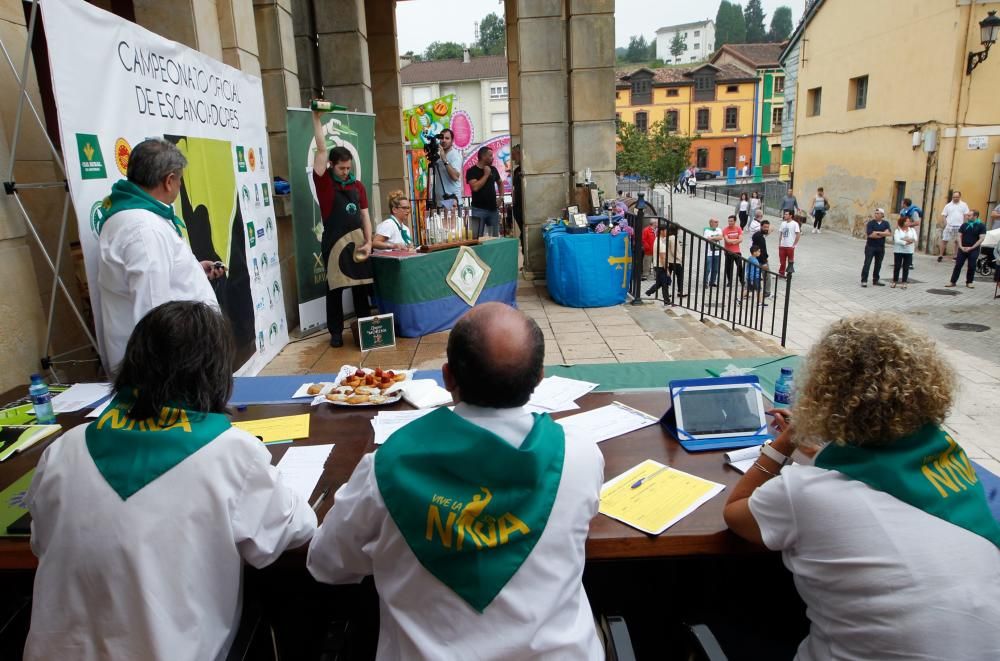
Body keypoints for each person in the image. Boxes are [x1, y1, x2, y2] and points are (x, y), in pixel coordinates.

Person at [307, 303, 605, 660]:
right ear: (539, 378)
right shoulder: (579, 457)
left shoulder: (385, 468)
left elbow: (327, 563)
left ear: (447, 377)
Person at [23, 301, 317, 661]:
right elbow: (297, 530)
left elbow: (40, 542)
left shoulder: (63, 449)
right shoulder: (231, 452)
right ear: (215, 375)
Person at [723, 313, 1000, 661]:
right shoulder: (948, 461)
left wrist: (788, 440)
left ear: (822, 393)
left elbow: (736, 512)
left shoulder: (807, 492)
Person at [93, 138, 224, 374]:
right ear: (169, 181)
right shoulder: (144, 229)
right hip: (168, 372)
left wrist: (190, 270)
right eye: (180, 180)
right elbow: (154, 311)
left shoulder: (134, 218)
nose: (180, 186)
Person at [312, 110, 373, 347]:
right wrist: (316, 118)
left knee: (361, 286)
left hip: (358, 241)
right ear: (331, 166)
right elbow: (320, 149)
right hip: (333, 242)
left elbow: (365, 216)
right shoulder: (324, 183)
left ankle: (366, 327)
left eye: (348, 168)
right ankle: (335, 333)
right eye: (341, 169)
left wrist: (369, 242)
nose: (346, 172)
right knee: (335, 289)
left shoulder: (358, 186)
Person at [465, 146, 502, 239]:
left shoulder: (493, 169)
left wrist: (501, 197)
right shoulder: (471, 171)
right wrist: (486, 175)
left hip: (493, 210)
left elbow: (500, 183)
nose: (492, 157)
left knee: (494, 238)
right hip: (478, 210)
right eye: (490, 155)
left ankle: (494, 254)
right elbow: (475, 187)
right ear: (483, 156)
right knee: (475, 238)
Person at [946, 209, 987, 289]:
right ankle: (953, 281)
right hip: (963, 248)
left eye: (969, 215)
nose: (967, 216)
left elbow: (981, 239)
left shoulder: (981, 226)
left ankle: (969, 282)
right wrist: (961, 246)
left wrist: (971, 248)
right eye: (967, 215)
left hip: (974, 249)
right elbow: (959, 236)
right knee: (958, 265)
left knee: (971, 266)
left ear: (975, 216)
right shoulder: (964, 225)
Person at [861, 207, 891, 287]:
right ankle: (864, 280)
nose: (876, 215)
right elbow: (870, 235)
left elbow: (888, 233)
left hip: (880, 247)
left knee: (878, 264)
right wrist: (882, 233)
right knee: (867, 263)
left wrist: (877, 233)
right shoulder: (871, 223)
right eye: (875, 213)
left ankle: (876, 279)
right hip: (870, 247)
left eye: (878, 213)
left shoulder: (886, 223)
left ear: (882, 215)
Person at [433, 128, 463, 209]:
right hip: (440, 202)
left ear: (452, 140)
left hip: (452, 202)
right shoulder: (439, 155)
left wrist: (444, 159)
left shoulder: (455, 155)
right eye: (441, 138)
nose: (444, 140)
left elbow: (455, 176)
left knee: (453, 222)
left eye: (447, 138)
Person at [939, 190, 969, 262]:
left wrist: (964, 225)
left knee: (957, 241)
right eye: (954, 197)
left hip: (959, 226)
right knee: (944, 240)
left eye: (957, 197)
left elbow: (966, 215)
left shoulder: (964, 205)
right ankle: (940, 255)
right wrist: (946, 224)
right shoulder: (948, 205)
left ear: (959, 197)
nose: (955, 198)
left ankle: (955, 256)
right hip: (949, 226)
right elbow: (944, 215)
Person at [645, 222, 672, 302]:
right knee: (665, 284)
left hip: (657, 266)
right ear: (662, 231)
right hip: (661, 266)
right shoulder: (661, 244)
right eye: (666, 231)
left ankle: (649, 292)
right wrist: (667, 270)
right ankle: (667, 301)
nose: (667, 232)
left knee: (660, 283)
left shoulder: (657, 240)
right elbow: (662, 258)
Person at [892, 215, 916, 288]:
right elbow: (897, 240)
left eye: (909, 221)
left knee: (906, 267)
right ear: (902, 222)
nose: (908, 222)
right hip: (898, 251)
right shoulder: (897, 230)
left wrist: (905, 239)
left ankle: (904, 281)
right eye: (907, 221)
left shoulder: (912, 230)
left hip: (909, 251)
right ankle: (895, 281)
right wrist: (906, 242)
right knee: (897, 266)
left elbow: (914, 238)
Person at [665, 222, 687, 302]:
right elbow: (674, 250)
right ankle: (680, 291)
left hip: (668, 260)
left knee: (668, 276)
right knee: (679, 276)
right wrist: (680, 258)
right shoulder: (673, 238)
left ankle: (666, 292)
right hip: (675, 261)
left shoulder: (668, 237)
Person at [751, 219, 772, 301]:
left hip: (758, 259)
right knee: (767, 276)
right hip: (761, 260)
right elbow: (761, 250)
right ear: (761, 226)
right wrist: (764, 262)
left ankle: (754, 290)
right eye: (765, 227)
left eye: (767, 227)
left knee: (756, 276)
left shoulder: (759, 235)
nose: (766, 229)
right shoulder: (759, 237)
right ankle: (766, 292)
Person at [777, 209, 800, 277]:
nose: (785, 215)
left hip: (790, 246)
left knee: (790, 261)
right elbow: (781, 234)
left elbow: (798, 234)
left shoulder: (795, 224)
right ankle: (781, 273)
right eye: (785, 214)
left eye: (786, 214)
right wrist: (779, 244)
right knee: (782, 261)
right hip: (782, 246)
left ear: (791, 215)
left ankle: (789, 275)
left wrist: (794, 245)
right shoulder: (783, 223)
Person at [722, 214, 744, 285]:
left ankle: (742, 280)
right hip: (728, 251)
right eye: (729, 221)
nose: (730, 223)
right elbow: (727, 240)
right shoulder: (725, 229)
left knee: (740, 266)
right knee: (729, 267)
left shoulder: (738, 228)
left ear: (735, 221)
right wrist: (736, 240)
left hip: (737, 251)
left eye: (731, 221)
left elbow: (741, 239)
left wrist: (732, 241)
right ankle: (730, 281)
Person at [511, 144, 524, 253]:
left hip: (524, 207)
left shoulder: (526, 170)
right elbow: (514, 189)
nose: (512, 157)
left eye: (514, 154)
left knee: (524, 234)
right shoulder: (516, 171)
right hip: (517, 207)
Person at [703, 217, 723, 287]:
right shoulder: (706, 230)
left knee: (716, 269)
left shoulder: (719, 229)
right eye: (715, 222)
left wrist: (712, 237)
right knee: (708, 268)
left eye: (717, 222)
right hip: (709, 252)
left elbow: (720, 237)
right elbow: (707, 239)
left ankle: (713, 281)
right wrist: (715, 237)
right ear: (711, 223)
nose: (717, 223)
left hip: (717, 252)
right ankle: (705, 282)